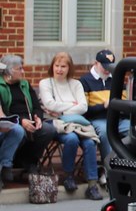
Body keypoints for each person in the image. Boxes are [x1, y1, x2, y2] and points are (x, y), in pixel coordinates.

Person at [38, 52, 103, 199]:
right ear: (52, 66)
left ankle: (92, 185)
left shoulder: (76, 84)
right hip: (56, 123)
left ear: (69, 68)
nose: (59, 69)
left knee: (89, 142)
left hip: (77, 123)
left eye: (63, 66)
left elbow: (83, 107)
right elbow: (49, 104)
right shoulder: (45, 83)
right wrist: (72, 105)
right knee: (71, 139)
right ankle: (68, 176)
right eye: (57, 66)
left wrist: (61, 110)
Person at [0, 54, 58, 183]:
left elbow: (36, 106)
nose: (23, 71)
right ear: (9, 70)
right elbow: (4, 112)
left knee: (48, 130)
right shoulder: (1, 86)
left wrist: (38, 117)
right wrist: (21, 121)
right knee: (19, 131)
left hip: (30, 120)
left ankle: (30, 161)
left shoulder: (25, 84)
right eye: (19, 69)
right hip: (14, 121)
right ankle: (11, 162)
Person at [81, 49, 129, 161]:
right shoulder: (85, 81)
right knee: (105, 131)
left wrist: (118, 105)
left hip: (118, 119)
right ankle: (109, 165)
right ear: (96, 63)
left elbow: (125, 103)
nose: (107, 70)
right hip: (97, 119)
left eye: (110, 67)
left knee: (134, 130)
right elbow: (85, 110)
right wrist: (104, 106)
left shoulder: (117, 79)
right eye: (104, 67)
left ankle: (129, 163)